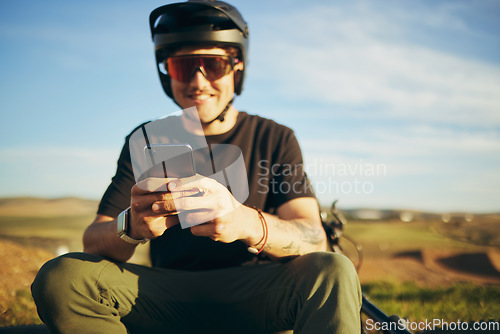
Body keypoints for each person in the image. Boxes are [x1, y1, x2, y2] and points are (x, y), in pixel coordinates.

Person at [31, 1, 362, 333]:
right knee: (62, 279)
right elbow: (93, 241)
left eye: (214, 65)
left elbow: (312, 237)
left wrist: (246, 221)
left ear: (237, 67)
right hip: (164, 294)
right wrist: (131, 225)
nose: (198, 81)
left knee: (334, 270)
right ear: (167, 73)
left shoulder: (275, 137)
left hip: (258, 293)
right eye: (182, 67)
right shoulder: (147, 138)